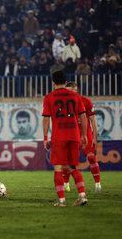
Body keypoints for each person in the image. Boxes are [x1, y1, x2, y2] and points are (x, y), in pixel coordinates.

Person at [42, 70, 88, 207]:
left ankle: (62, 200)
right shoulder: (75, 96)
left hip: (59, 136)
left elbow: (46, 120)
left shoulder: (49, 97)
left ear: (53, 82)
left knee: (58, 168)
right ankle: (82, 195)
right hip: (74, 136)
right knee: (73, 167)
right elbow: (83, 116)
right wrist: (84, 134)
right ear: (65, 81)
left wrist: (45, 137)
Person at [64, 82, 101, 192]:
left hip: (87, 134)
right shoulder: (65, 104)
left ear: (76, 91)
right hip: (72, 134)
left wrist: (95, 137)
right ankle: (66, 184)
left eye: (71, 91)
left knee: (91, 157)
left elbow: (93, 121)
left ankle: (97, 184)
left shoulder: (86, 102)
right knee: (69, 161)